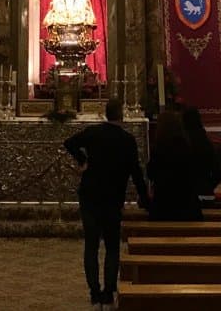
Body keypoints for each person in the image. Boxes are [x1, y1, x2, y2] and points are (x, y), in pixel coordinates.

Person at [64, 97, 148, 306]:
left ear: (105, 114)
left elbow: (69, 143)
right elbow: (136, 173)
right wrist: (145, 199)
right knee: (112, 246)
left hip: (90, 195)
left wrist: (83, 160)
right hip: (113, 196)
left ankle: (94, 291)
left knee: (91, 245)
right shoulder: (127, 140)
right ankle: (109, 291)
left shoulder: (93, 132)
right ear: (122, 115)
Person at [147, 109, 203, 221]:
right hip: (187, 204)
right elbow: (196, 172)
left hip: (163, 204)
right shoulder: (187, 147)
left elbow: (151, 173)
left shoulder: (159, 148)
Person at [182, 105, 221, 200]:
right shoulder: (206, 143)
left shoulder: (181, 143)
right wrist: (208, 186)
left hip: (186, 196)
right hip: (205, 193)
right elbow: (218, 173)